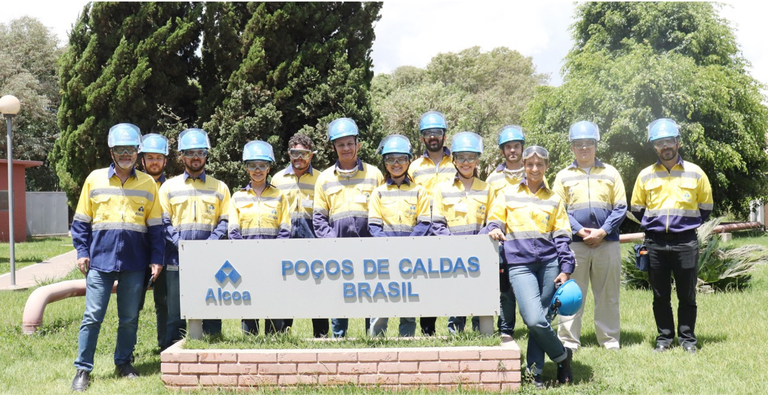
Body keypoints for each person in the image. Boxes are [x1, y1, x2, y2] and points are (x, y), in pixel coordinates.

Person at [70, 123, 164, 391]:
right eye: (121, 149)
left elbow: (156, 227)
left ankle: (123, 362)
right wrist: (82, 252)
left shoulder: (147, 183)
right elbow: (80, 222)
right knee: (92, 316)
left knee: (129, 318)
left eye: (131, 150)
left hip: (135, 263)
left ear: (138, 152)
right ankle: (82, 370)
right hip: (100, 262)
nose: (126, 154)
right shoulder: (94, 179)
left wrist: (156, 259)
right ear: (112, 151)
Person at [487, 146, 575, 388]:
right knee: (534, 319)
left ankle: (534, 374)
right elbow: (494, 219)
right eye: (530, 164)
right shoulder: (507, 193)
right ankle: (562, 356)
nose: (534, 169)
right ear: (524, 166)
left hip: (549, 264)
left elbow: (562, 236)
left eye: (540, 164)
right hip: (520, 264)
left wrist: (565, 268)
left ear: (547, 166)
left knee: (543, 318)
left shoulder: (554, 198)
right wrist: (494, 228)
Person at [630, 118, 712, 354]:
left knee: (687, 295)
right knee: (660, 295)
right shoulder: (645, 175)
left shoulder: (695, 173)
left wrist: (684, 225)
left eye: (669, 141)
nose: (665, 147)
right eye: (659, 143)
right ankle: (664, 339)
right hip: (655, 243)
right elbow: (637, 208)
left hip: (685, 242)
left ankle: (688, 340)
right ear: (654, 147)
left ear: (678, 142)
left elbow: (706, 208)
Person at [554, 121, 627, 351]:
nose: (584, 148)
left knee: (608, 294)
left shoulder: (610, 172)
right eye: (579, 144)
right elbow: (558, 209)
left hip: (607, 243)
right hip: (575, 245)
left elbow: (621, 206)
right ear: (572, 147)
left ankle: (609, 340)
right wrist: (579, 230)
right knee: (572, 293)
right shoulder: (563, 176)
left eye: (589, 143)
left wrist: (603, 231)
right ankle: (568, 341)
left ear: (596, 145)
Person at [159, 128, 231, 345]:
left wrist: (208, 245)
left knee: (211, 306)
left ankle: (213, 349)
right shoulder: (168, 187)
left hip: (210, 259)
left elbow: (225, 221)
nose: (196, 157)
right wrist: (182, 246)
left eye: (200, 152)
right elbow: (163, 223)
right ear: (182, 157)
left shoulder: (220, 187)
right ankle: (173, 353)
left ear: (206, 155)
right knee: (176, 311)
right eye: (190, 153)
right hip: (176, 259)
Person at [313, 118, 384, 337]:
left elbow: (383, 210)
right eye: (340, 144)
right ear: (334, 147)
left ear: (358, 145)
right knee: (339, 293)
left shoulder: (374, 175)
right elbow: (318, 219)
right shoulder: (324, 178)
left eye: (350, 143)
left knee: (371, 292)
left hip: (370, 248)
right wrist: (332, 241)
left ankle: (374, 337)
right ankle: (338, 338)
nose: (346, 148)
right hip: (338, 249)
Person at [431, 132, 495, 334]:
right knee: (456, 297)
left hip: (481, 253)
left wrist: (477, 242)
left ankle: (480, 334)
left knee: (479, 296)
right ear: (454, 160)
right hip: (453, 254)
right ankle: (455, 335)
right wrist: (455, 245)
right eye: (461, 157)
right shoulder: (442, 190)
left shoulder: (487, 189)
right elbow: (437, 223)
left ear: (477, 160)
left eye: (470, 157)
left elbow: (493, 221)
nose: (466, 162)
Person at [368, 134, 431, 337]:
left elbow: (424, 223)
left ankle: (408, 341)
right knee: (380, 302)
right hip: (384, 256)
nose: (396, 164)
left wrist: (408, 245)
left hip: (410, 256)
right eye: (390, 159)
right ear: (385, 163)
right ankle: (376, 341)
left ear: (409, 160)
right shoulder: (377, 193)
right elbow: (374, 226)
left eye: (401, 159)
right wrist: (389, 246)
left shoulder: (420, 191)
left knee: (409, 302)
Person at [229, 140, 290, 335]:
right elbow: (233, 231)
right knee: (249, 301)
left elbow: (285, 229)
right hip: (246, 260)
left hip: (273, 260)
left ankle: (275, 340)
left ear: (269, 167)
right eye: (252, 165)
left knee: (274, 300)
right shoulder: (237, 197)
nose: (257, 170)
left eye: (262, 165)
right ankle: (250, 339)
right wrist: (247, 254)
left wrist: (272, 253)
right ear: (246, 168)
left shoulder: (280, 196)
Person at [271, 133, 329, 337]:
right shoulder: (277, 179)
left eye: (304, 154)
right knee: (285, 290)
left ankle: (321, 337)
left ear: (311, 156)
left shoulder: (322, 178)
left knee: (317, 290)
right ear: (289, 154)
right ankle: (280, 336)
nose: (299, 158)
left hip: (313, 242)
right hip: (284, 243)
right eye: (295, 153)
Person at [408, 110, 454, 336]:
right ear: (422, 138)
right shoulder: (414, 167)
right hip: (423, 229)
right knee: (425, 279)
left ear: (445, 135)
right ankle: (428, 331)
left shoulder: (457, 162)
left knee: (455, 276)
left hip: (450, 228)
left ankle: (456, 329)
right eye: (428, 133)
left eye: (437, 132)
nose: (433, 137)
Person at [485, 125, 529, 338]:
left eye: (516, 146)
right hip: (504, 240)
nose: (513, 151)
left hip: (529, 238)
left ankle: (534, 325)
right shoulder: (493, 179)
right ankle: (506, 329)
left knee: (531, 286)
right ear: (502, 151)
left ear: (522, 148)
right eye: (508, 147)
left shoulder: (533, 171)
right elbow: (490, 210)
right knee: (505, 289)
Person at [137, 133, 170, 350]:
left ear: (165, 161)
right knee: (132, 305)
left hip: (165, 253)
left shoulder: (174, 187)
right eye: (150, 157)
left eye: (158, 157)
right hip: (137, 253)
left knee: (165, 303)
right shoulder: (134, 185)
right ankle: (127, 350)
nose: (154, 162)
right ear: (142, 161)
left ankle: (166, 346)